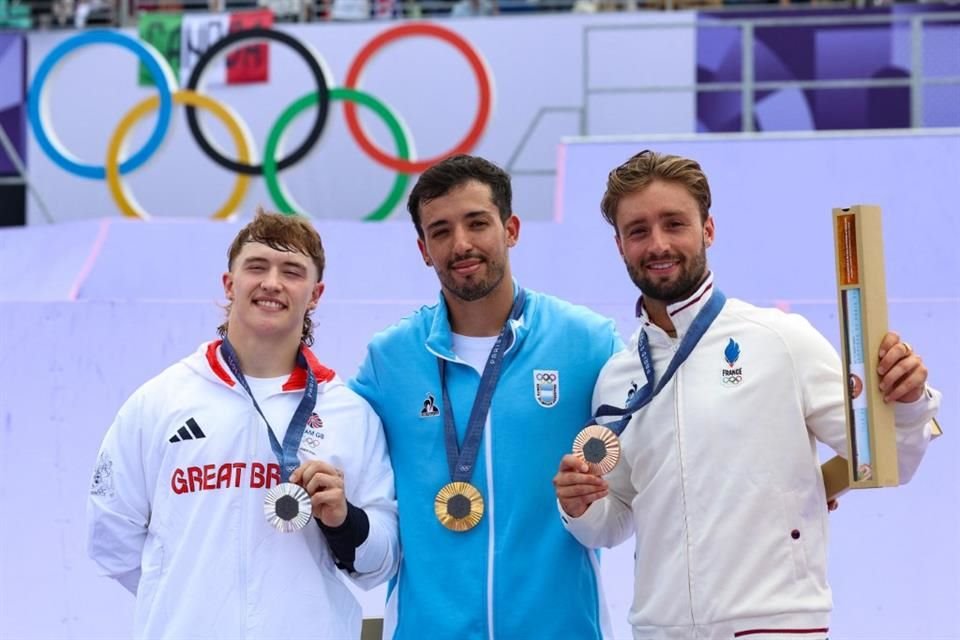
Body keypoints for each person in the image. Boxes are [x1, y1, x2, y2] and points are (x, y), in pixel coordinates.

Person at [553, 150, 942, 639]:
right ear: (619, 245)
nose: (658, 243)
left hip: (772, 624)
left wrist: (906, 403)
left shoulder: (780, 339)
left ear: (708, 230)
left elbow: (892, 461)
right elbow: (617, 520)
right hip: (659, 628)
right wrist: (581, 506)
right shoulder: (619, 375)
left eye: (675, 224)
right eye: (639, 230)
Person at [86, 210, 398, 639]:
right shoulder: (160, 401)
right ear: (229, 284)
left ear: (316, 293)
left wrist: (345, 520)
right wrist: (189, 602)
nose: (272, 282)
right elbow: (110, 538)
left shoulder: (349, 413)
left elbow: (380, 564)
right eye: (257, 267)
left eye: (291, 271)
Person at [348, 154, 622, 639]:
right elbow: (324, 435)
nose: (462, 244)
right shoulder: (389, 360)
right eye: (441, 231)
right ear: (423, 248)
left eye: (477, 223)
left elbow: (649, 454)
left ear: (511, 228)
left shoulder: (586, 343)